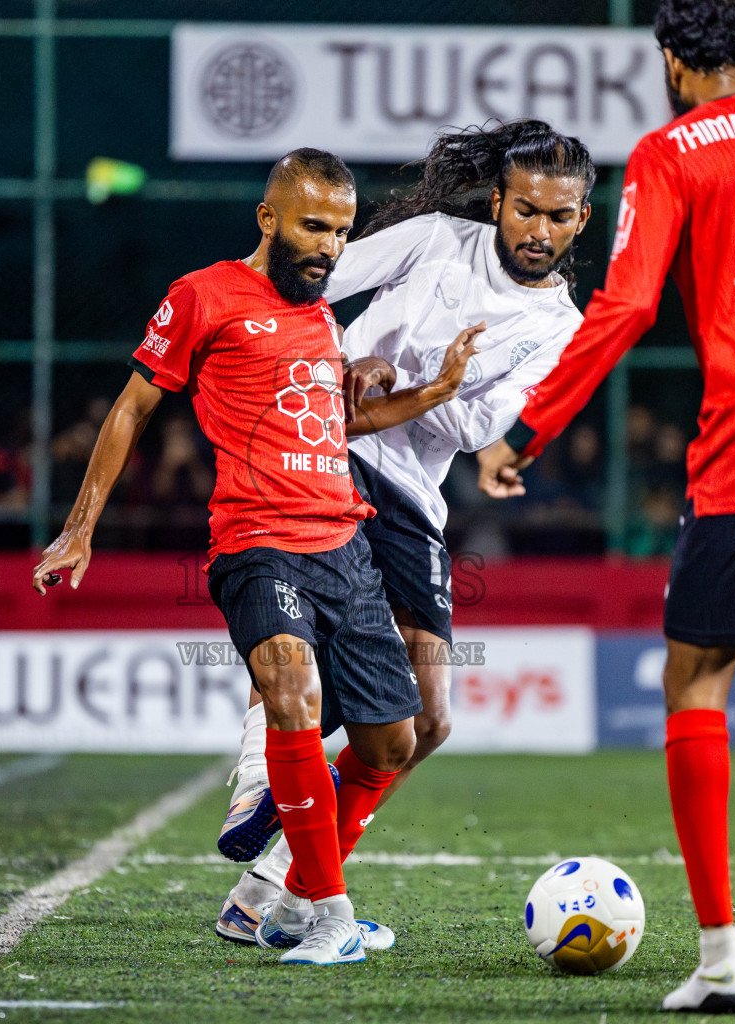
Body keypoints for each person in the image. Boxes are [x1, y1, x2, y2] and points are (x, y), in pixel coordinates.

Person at [475, 0, 735, 1010]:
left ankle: (721, 958)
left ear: (673, 60)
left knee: (694, 682)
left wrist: (524, 431)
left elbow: (623, 307)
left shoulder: (672, 150)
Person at [31, 148, 478, 966]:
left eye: (342, 232)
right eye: (314, 226)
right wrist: (80, 527)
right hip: (256, 540)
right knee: (291, 690)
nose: (329, 247)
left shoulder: (319, 317)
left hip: (345, 543)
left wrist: (429, 396)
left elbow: (335, 426)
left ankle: (283, 902)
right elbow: (132, 409)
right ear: (268, 217)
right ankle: (330, 912)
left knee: (393, 743)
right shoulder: (202, 295)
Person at [213, 120, 593, 950]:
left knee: (428, 721)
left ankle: (270, 889)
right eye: (526, 210)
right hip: (328, 450)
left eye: (559, 217)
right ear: (498, 202)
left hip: (414, 489)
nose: (539, 231)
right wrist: (332, 359)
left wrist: (399, 375)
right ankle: (255, 783)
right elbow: (314, 277)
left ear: (582, 222)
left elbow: (479, 422)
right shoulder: (435, 241)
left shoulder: (562, 327)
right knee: (300, 635)